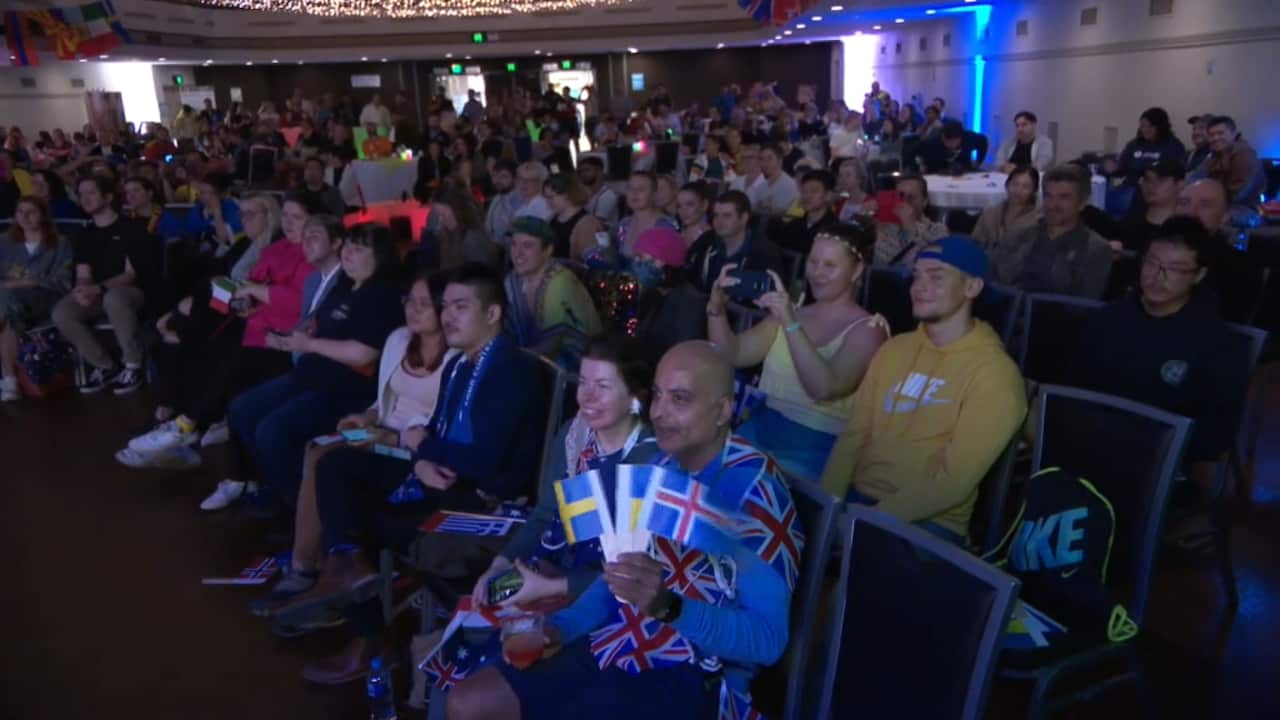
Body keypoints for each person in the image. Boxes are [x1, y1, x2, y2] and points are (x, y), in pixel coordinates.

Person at [446, 340, 802, 720]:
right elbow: (616, 579)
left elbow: (767, 642)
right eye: (659, 395)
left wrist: (669, 608)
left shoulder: (755, 493)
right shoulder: (662, 467)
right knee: (467, 702)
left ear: (722, 411)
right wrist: (562, 629)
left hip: (693, 674)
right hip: (620, 639)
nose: (660, 412)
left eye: (679, 399)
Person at [276, 263, 549, 681]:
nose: (448, 316)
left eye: (461, 307)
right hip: (441, 475)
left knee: (359, 518)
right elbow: (431, 433)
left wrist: (423, 448)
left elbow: (487, 463)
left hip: (482, 501)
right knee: (336, 465)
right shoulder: (463, 365)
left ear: (492, 314)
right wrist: (420, 459)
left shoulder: (510, 369)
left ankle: (369, 640)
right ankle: (347, 567)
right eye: (447, 307)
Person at [249, 269, 457, 615]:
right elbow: (382, 403)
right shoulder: (399, 340)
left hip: (407, 448)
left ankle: (306, 569)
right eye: (410, 301)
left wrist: (387, 434)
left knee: (327, 458)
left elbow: (436, 425)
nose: (414, 309)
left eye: (425, 303)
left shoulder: (455, 359)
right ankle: (319, 562)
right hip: (379, 432)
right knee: (318, 446)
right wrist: (365, 419)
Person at [821, 237, 1026, 542]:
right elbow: (854, 435)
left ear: (972, 288)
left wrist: (862, 522)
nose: (919, 286)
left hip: (929, 522)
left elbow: (951, 483)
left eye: (936, 276)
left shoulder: (995, 374)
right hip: (859, 501)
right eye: (916, 275)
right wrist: (827, 505)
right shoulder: (894, 350)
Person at [221, 223, 403, 515]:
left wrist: (309, 345)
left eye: (359, 249)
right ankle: (280, 486)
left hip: (347, 387)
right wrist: (290, 338)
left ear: (380, 257)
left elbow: (362, 354)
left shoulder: (382, 296)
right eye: (348, 247)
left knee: (272, 431)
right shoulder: (344, 284)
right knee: (242, 409)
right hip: (311, 374)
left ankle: (305, 511)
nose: (349, 254)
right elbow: (317, 322)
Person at [118, 197, 315, 467]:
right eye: (288, 216)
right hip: (247, 317)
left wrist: (251, 293)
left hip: (277, 332)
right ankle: (181, 423)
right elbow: (248, 282)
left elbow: (297, 299)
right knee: (196, 308)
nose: (290, 223)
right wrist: (244, 298)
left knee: (207, 345)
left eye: (297, 217)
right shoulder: (272, 247)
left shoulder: (310, 252)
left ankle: (184, 425)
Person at [470, 334, 661, 612]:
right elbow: (545, 514)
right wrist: (500, 564)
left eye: (603, 386)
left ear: (634, 396)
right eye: (583, 382)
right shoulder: (574, 436)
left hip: (609, 599)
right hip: (553, 562)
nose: (587, 396)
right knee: (480, 612)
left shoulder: (650, 459)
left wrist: (548, 587)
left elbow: (636, 573)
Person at [1065, 217, 1249, 498]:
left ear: (1198, 275)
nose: (1156, 277)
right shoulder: (1107, 320)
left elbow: (1216, 431)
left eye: (1174, 269)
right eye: (1151, 263)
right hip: (1093, 446)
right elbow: (1076, 385)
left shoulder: (1217, 342)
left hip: (1162, 462)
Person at [710, 222, 887, 479]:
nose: (817, 273)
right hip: (762, 426)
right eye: (813, 262)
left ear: (856, 271)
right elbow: (734, 354)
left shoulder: (869, 329)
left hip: (816, 445)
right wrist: (716, 310)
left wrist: (791, 324)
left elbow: (823, 388)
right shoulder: (793, 311)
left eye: (829, 265)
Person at [200, 211, 347, 508]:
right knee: (240, 401)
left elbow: (339, 339)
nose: (304, 242)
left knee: (265, 418)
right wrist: (285, 337)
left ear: (337, 243)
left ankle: (300, 504)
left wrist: (296, 341)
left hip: (330, 373)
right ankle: (273, 483)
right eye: (304, 237)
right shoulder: (313, 280)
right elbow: (304, 323)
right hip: (298, 358)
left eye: (313, 235)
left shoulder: (343, 282)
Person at [52, 176, 160, 395]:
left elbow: (131, 273)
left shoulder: (133, 228)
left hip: (134, 291)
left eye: (91, 192)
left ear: (108, 197)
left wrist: (98, 288)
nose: (85, 198)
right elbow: (83, 272)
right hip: (98, 292)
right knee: (62, 312)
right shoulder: (84, 234)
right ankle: (106, 366)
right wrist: (82, 289)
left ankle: (133, 365)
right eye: (81, 194)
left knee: (115, 298)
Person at [992, 164, 1112, 298]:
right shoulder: (1020, 233)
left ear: (1082, 202)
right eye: (1048, 196)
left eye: (1064, 197)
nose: (1052, 205)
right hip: (1006, 312)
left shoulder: (1096, 249)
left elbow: (1083, 307)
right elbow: (996, 278)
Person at [0, 197, 73, 401]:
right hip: (9, 306)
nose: (25, 217)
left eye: (31, 211)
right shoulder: (4, 242)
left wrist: (25, 283)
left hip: (43, 301)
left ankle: (8, 382)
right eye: (20, 212)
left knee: (5, 302)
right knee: (8, 319)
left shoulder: (59, 243)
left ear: (42, 215)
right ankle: (10, 382)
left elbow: (62, 281)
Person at [504, 217, 602, 366]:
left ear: (548, 250)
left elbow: (554, 343)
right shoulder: (512, 280)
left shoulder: (560, 282)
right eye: (514, 244)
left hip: (578, 362)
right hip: (534, 357)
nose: (517, 253)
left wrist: (515, 361)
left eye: (527, 246)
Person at [1176, 178, 1266, 324]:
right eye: (1184, 202)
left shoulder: (1240, 268)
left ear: (1224, 216)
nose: (1190, 212)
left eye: (1205, 205)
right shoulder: (1153, 251)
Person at [630, 227, 708, 367]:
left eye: (643, 258)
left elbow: (683, 354)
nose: (638, 263)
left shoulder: (691, 302)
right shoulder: (652, 292)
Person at [685, 191, 785, 294]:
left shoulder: (765, 252)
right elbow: (688, 273)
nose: (719, 221)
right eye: (716, 215)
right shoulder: (707, 241)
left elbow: (772, 294)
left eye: (727, 216)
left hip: (740, 309)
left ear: (744, 218)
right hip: (703, 305)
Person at [873, 175, 948, 266]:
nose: (905, 202)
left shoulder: (938, 230)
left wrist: (910, 227)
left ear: (925, 201)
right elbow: (881, 264)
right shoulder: (887, 230)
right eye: (900, 197)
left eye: (911, 198)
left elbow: (929, 265)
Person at [420, 185, 497, 271]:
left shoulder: (471, 239)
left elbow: (480, 276)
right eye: (438, 215)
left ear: (458, 211)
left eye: (444, 215)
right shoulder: (447, 234)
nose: (441, 221)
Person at [612, 172, 679, 263]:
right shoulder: (624, 224)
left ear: (654, 194)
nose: (634, 193)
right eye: (630, 188)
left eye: (641, 189)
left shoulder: (665, 226)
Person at [972, 166, 1041, 253]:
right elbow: (975, 243)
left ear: (1034, 190)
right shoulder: (990, 213)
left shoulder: (1038, 220)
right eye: (1015, 184)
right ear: (1007, 185)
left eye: (1025, 187)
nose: (1018, 190)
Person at [487, 161, 551, 249]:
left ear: (541, 183)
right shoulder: (519, 205)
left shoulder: (545, 207)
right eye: (521, 179)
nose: (524, 183)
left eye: (530, 180)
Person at [1116, 107, 1187, 187]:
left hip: (1157, 192)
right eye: (1143, 126)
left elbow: (1178, 174)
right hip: (1130, 189)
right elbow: (1120, 168)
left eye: (1150, 126)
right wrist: (1111, 167)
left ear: (1160, 126)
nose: (1146, 129)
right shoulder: (1134, 144)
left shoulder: (1174, 146)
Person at [774, 169, 838, 256]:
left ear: (828, 195)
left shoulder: (834, 231)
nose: (807, 196)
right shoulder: (793, 226)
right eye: (804, 191)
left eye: (814, 191)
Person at [1205, 115, 1262, 209]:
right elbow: (1199, 177)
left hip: (1246, 209)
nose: (1215, 138)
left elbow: (1240, 193)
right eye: (1211, 135)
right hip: (1221, 203)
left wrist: (1209, 202)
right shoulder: (1215, 154)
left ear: (1234, 133)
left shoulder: (1244, 154)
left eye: (1220, 133)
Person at [545, 173, 605, 260]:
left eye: (551, 197)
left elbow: (589, 261)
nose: (547, 202)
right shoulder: (553, 218)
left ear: (567, 195)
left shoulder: (588, 223)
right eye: (546, 197)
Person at [754, 144, 800, 219]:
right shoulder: (760, 187)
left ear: (780, 160)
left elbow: (794, 217)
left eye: (770, 158)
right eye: (762, 159)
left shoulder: (792, 186)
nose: (765, 163)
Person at [579, 157, 620, 229]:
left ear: (599, 171)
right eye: (581, 171)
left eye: (587, 170)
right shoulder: (587, 194)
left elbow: (597, 223)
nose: (583, 174)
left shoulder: (608, 195)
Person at [675, 181, 713, 248]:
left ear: (704, 205)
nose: (683, 211)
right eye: (679, 206)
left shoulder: (712, 239)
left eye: (690, 204)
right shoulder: (675, 233)